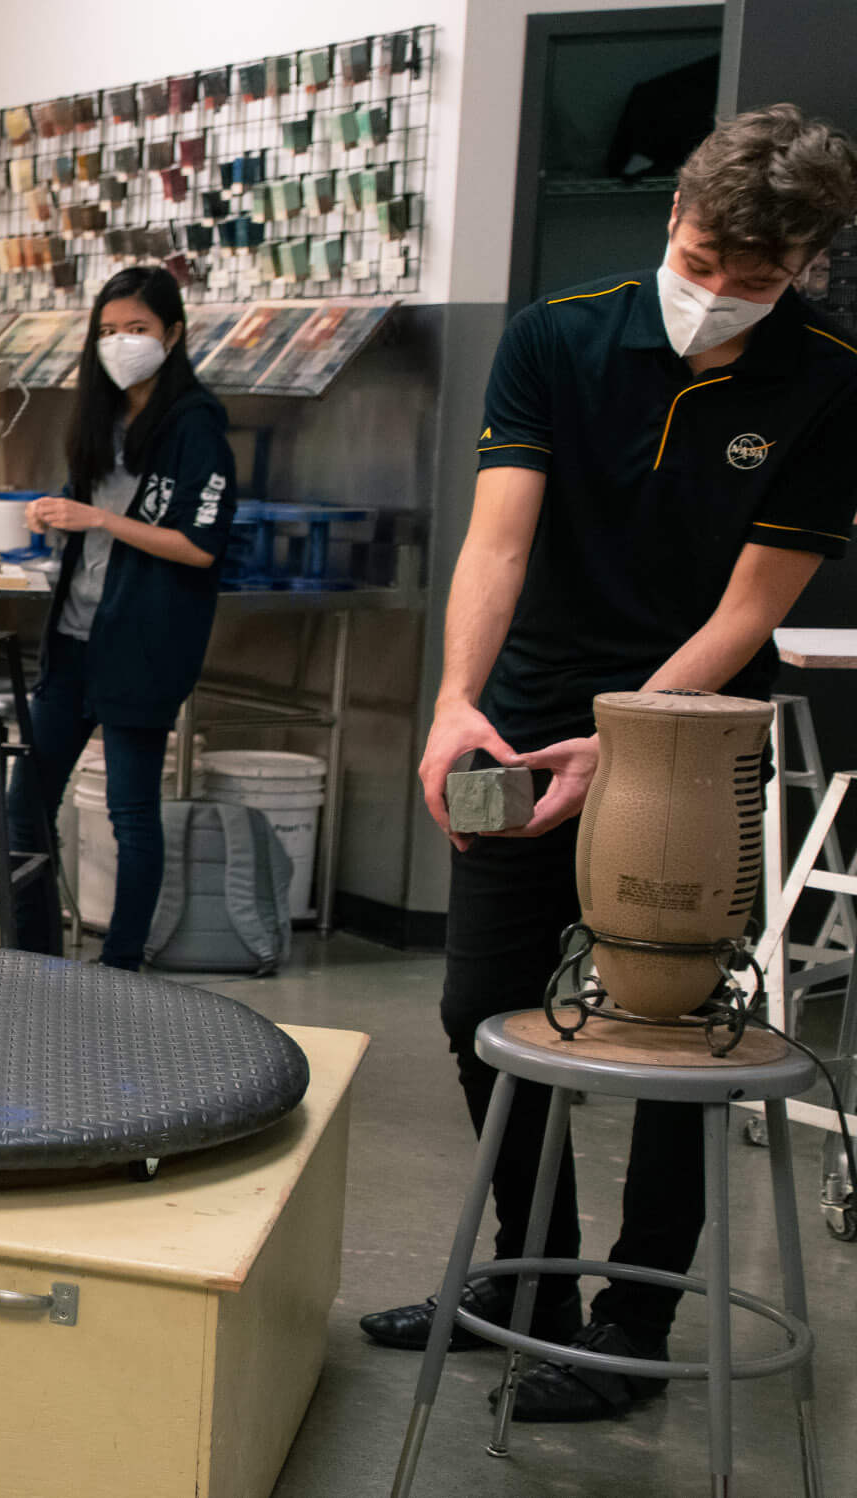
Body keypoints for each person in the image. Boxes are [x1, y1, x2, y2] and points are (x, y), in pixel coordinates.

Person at [358, 104, 857, 1423]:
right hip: (523, 721)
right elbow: (499, 544)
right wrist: (455, 702)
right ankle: (524, 1284)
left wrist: (631, 733)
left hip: (692, 744)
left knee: (672, 1041)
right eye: (700, 259)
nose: (716, 293)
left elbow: (752, 607)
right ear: (673, 217)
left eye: (753, 280)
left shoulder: (832, 376)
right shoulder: (556, 336)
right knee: (482, 1012)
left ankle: (630, 1316)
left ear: (804, 263)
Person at [5, 264, 235, 970]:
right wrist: (54, 516)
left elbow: (198, 546)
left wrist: (97, 518)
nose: (120, 343)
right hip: (73, 639)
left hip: (141, 644)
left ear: (172, 334)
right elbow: (87, 518)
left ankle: (122, 966)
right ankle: (32, 957)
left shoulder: (195, 424)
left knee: (131, 814)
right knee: (23, 808)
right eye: (107, 331)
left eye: (136, 330)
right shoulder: (98, 418)